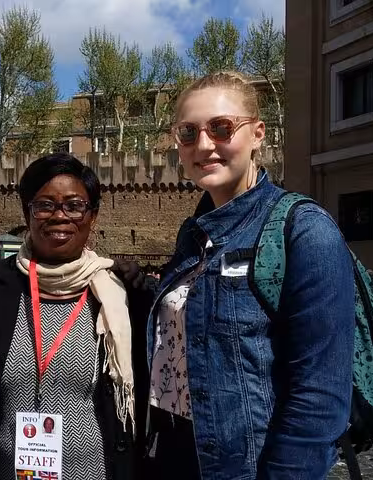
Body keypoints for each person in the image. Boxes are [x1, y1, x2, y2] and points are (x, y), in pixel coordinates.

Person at [124, 72, 355, 478]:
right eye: (188, 132)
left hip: (244, 466)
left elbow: (319, 396)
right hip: (170, 455)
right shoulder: (193, 234)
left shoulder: (303, 229)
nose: (204, 144)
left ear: (258, 134)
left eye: (221, 128)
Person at [0, 154, 149, 480]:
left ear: (93, 216)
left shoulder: (120, 294)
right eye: (45, 205)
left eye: (74, 206)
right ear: (27, 213)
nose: (59, 216)